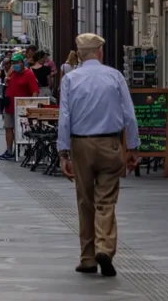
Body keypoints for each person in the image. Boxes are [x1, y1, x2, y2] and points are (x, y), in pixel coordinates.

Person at [57, 33, 140, 278]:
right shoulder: (115, 76)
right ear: (99, 52)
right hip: (110, 142)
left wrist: (63, 153)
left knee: (85, 200)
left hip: (81, 145)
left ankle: (87, 257)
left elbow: (65, 118)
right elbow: (130, 115)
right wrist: (133, 147)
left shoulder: (70, 79)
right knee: (106, 200)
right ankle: (105, 247)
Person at [0, 53, 40, 161]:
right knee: (8, 128)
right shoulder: (12, 73)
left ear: (22, 62)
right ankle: (8, 150)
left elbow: (35, 91)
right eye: (13, 63)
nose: (15, 65)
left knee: (20, 129)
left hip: (22, 107)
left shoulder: (28, 74)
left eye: (17, 62)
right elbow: (7, 82)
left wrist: (32, 105)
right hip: (9, 105)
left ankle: (24, 149)